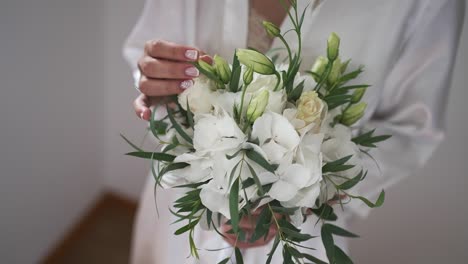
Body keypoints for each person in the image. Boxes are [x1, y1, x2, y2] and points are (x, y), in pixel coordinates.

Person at [123, 0, 465, 263]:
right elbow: (148, 50)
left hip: (298, 234)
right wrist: (153, 77)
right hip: (184, 204)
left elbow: (412, 127)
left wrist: (308, 191)